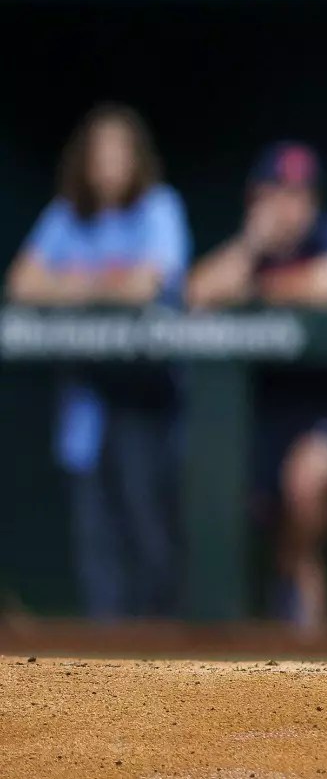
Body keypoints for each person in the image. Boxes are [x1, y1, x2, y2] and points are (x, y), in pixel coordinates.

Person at [7, 103, 190, 620]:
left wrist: (69, 285)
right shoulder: (68, 214)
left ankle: (163, 658)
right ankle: (106, 668)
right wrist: (101, 284)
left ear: (137, 160)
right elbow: (22, 283)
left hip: (146, 394)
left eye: (118, 153)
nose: (107, 164)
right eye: (98, 153)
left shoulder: (159, 206)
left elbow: (148, 282)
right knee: (96, 535)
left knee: (148, 530)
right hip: (85, 398)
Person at [185, 142, 327, 636]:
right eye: (280, 193)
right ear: (257, 197)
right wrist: (250, 244)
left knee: (303, 485)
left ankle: (296, 580)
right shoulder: (249, 250)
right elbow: (196, 292)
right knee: (210, 486)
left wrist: (255, 291)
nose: (292, 206)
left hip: (324, 410)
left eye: (302, 194)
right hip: (257, 417)